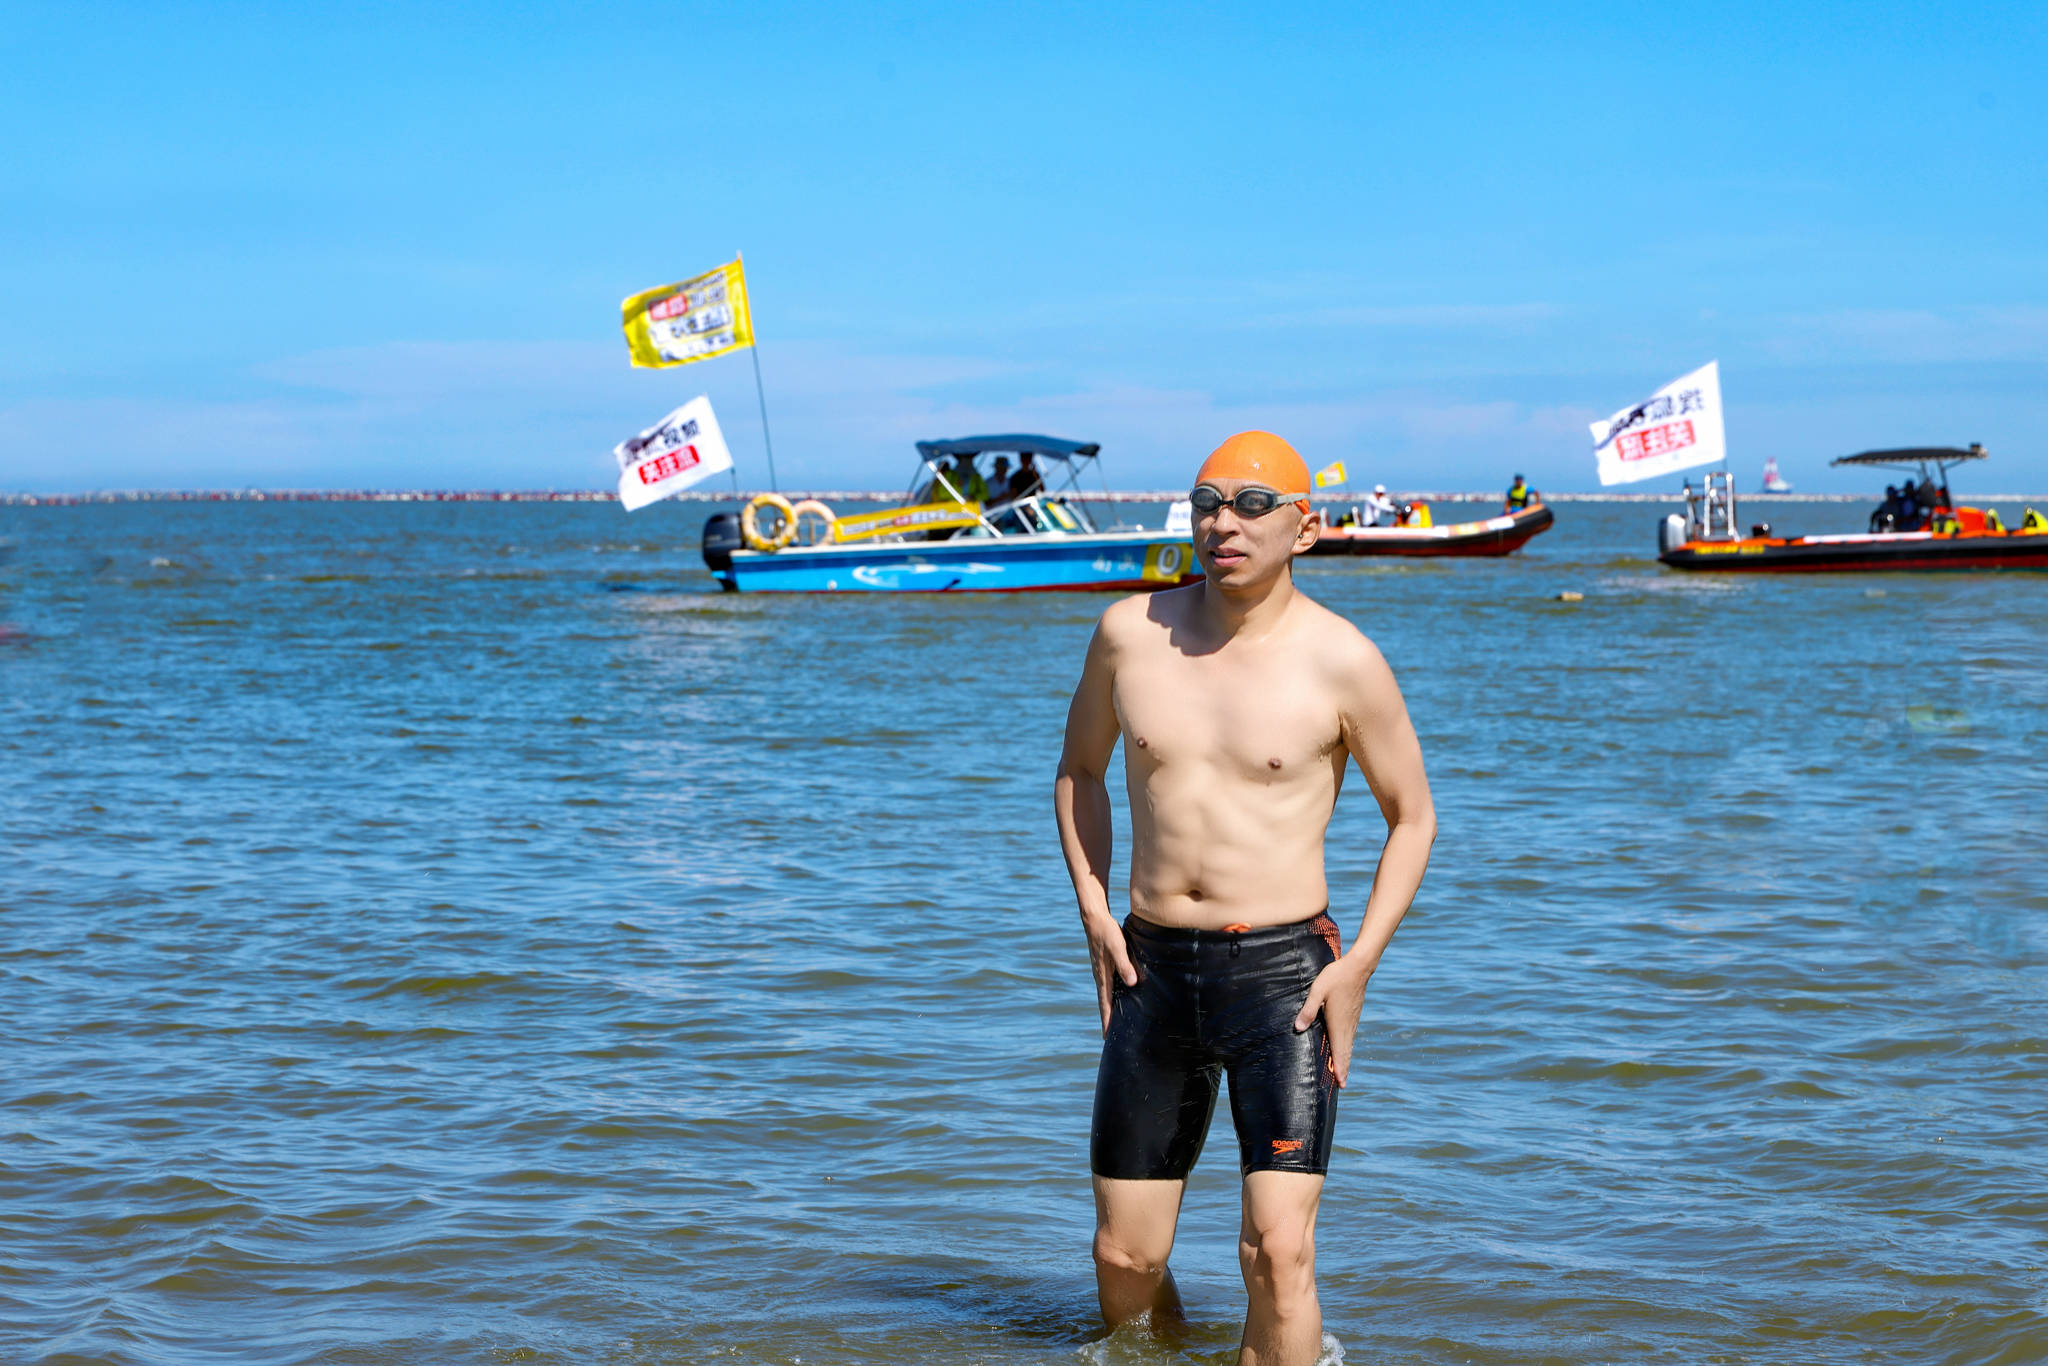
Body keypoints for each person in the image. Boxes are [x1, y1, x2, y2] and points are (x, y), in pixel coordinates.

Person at [1054, 430, 1435, 1366]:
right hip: (1151, 965)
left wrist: (1358, 968)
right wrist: (1094, 911)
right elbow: (1079, 774)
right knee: (1124, 1259)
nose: (1225, 522)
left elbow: (1413, 818)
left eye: (1254, 505)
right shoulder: (1127, 633)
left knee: (1278, 1250)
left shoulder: (1343, 660)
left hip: (1282, 979)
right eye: (1208, 501)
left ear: (1303, 529)